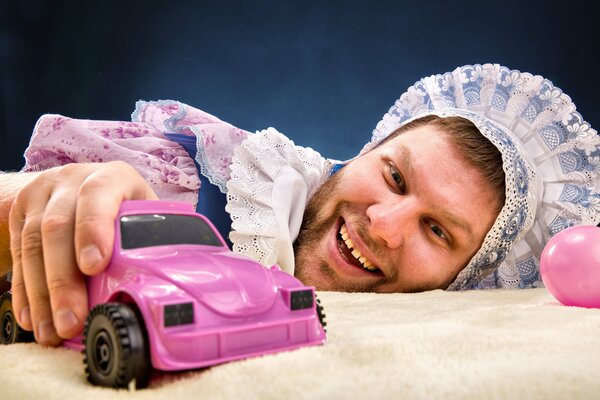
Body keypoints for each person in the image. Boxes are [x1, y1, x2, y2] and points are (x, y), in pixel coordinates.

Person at [0, 63, 598, 346]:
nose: (385, 227)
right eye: (393, 177)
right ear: (362, 152)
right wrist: (40, 204)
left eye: (438, 233)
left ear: (461, 279)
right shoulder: (207, 176)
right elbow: (39, 205)